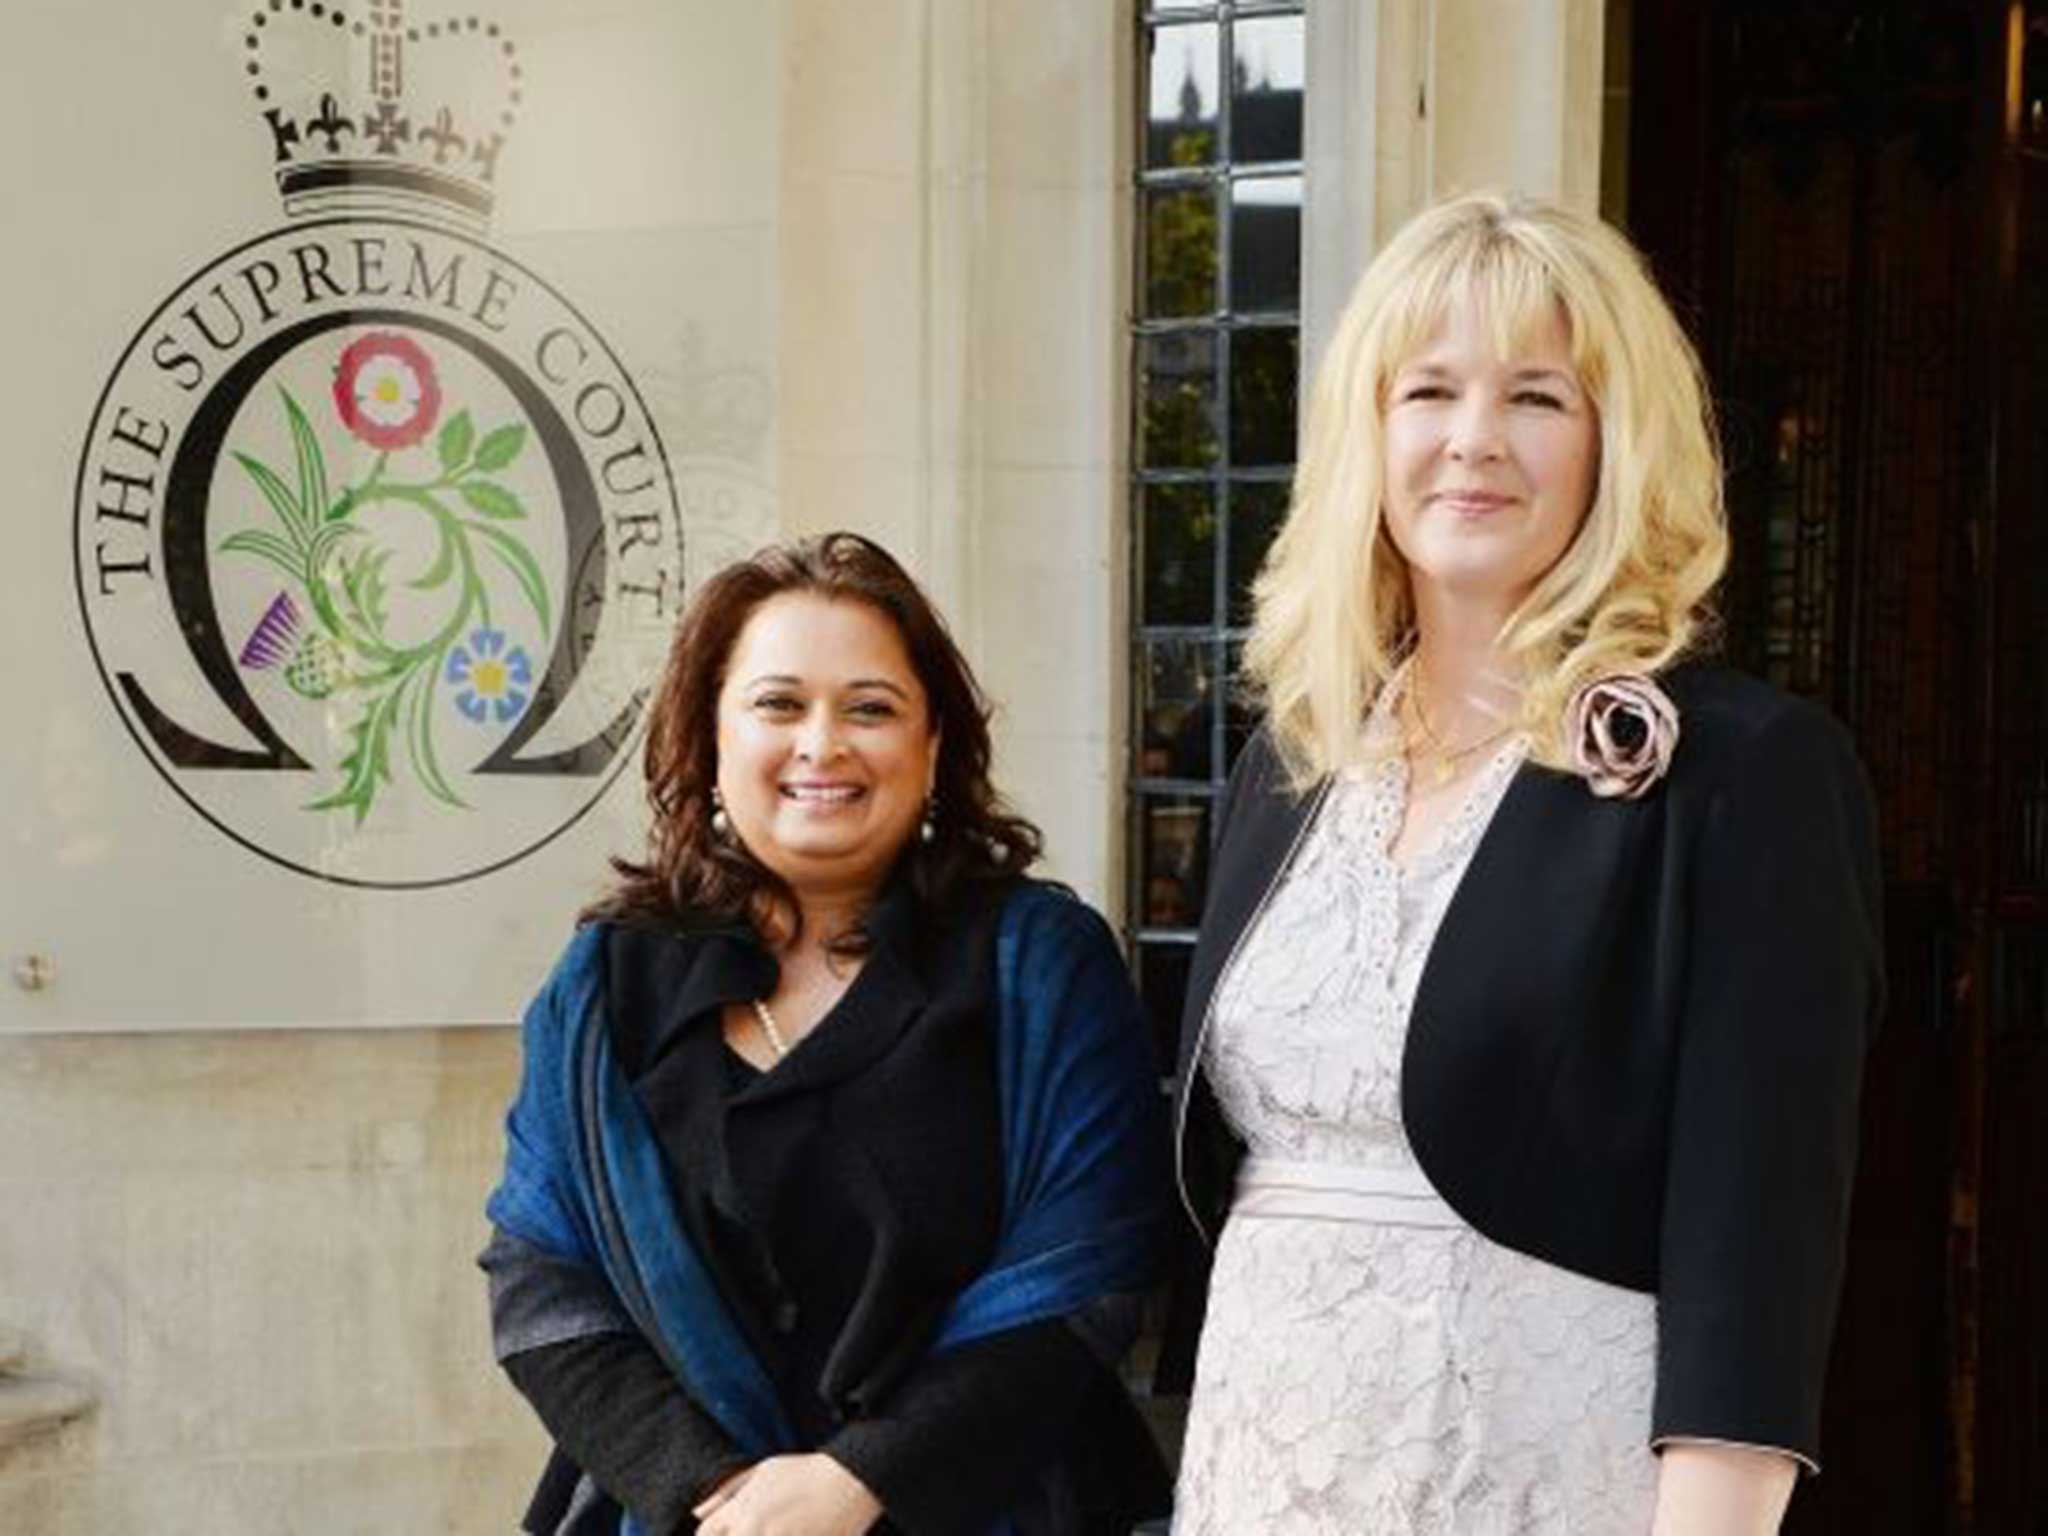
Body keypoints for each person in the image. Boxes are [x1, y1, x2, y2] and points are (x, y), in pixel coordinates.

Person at [1166, 192, 1885, 1534]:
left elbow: (1758, 1253)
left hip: (1544, 1476)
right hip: (1260, 1465)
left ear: (1618, 442)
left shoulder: (1744, 772)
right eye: (1428, 390)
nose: (1474, 442)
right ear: (1367, 438)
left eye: (1539, 398)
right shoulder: (1288, 761)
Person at [482, 532, 1172, 1536]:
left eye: (870, 708)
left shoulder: (1037, 964)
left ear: (933, 747)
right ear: (708, 741)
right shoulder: (604, 984)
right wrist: (716, 1495)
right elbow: (540, 1279)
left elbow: (1088, 1270)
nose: (822, 744)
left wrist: (856, 1485)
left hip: (1000, 1503)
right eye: (777, 703)